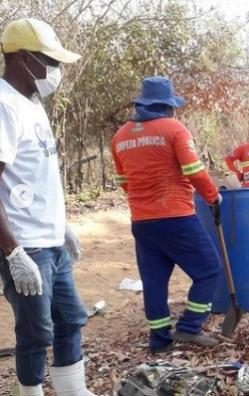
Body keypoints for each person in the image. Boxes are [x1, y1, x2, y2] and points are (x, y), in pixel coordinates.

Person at [0, 18, 95, 396]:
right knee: (36, 333)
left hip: (51, 239)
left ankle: (74, 391)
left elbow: (36, 175)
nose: (55, 71)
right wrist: (13, 251)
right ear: (23, 58)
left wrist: (62, 225)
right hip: (26, 244)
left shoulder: (32, 103)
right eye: (49, 61)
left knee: (70, 319)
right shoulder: (4, 106)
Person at [111, 76, 222, 352]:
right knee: (209, 270)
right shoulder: (174, 129)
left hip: (142, 221)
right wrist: (213, 196)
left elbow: (124, 182)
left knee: (154, 281)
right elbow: (194, 171)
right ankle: (189, 327)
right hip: (176, 217)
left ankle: (159, 340)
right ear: (167, 105)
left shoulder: (120, 136)